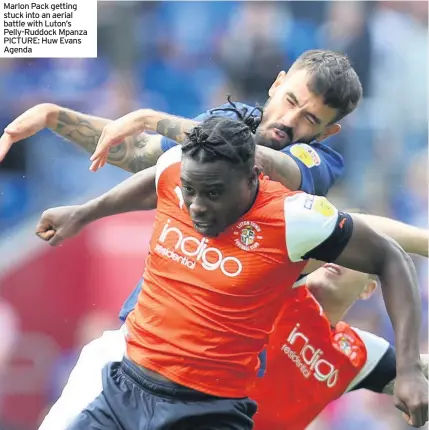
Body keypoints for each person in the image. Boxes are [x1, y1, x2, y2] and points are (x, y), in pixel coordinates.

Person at [35, 116, 427, 429]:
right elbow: (156, 182)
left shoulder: (293, 219)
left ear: (254, 178)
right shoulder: (178, 168)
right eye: (191, 191)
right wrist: (84, 212)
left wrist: (409, 370)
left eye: (214, 193)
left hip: (203, 413)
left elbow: (389, 255)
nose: (197, 207)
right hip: (125, 388)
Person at [38, 264, 429, 430]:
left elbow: (419, 375)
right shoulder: (279, 285)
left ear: (368, 289)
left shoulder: (360, 353)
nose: (344, 257)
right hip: (149, 404)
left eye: (361, 257)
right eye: (345, 245)